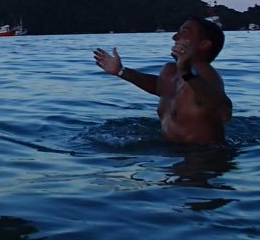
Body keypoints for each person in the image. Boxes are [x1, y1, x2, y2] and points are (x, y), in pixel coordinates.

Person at [93, 17, 232, 145]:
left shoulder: (204, 72)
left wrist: (187, 72)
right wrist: (120, 71)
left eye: (184, 32)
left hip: (203, 159)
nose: (175, 37)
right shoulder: (170, 71)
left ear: (204, 44)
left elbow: (223, 112)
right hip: (174, 156)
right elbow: (160, 87)